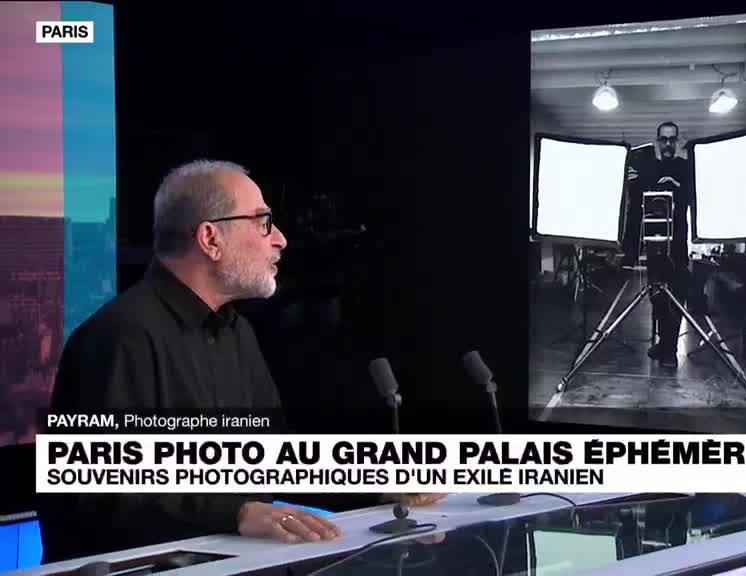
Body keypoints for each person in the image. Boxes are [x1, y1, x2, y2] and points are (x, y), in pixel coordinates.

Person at [38, 160, 444, 563]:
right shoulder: (122, 337)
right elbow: (103, 496)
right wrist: (236, 512)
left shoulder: (236, 331)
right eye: (263, 222)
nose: (280, 239)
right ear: (210, 239)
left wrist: (374, 483)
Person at [623, 122, 693, 368]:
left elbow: (693, 197)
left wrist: (677, 187)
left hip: (678, 244)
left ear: (678, 141)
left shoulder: (685, 167)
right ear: (657, 141)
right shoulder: (649, 167)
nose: (668, 144)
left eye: (672, 139)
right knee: (657, 295)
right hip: (655, 243)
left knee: (677, 295)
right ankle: (665, 344)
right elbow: (637, 201)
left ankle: (670, 349)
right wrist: (630, 180)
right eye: (664, 139)